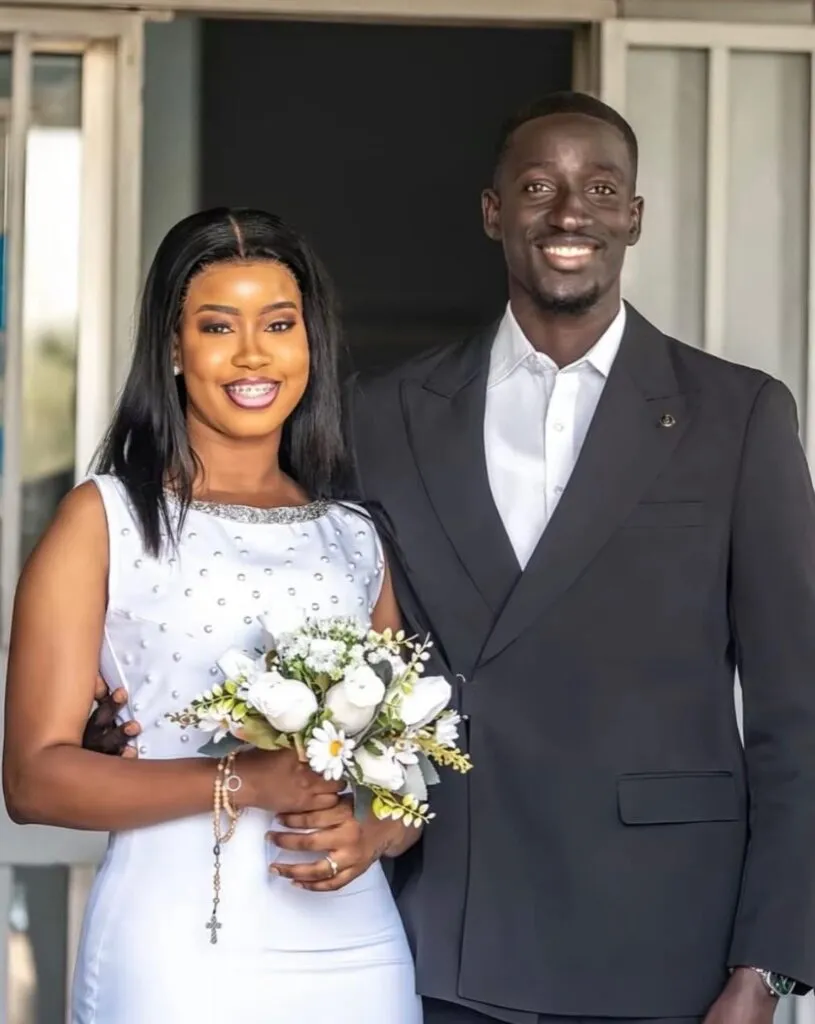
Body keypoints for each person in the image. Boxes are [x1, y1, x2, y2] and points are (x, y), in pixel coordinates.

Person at [84, 91, 815, 1024]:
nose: (570, 213)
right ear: (492, 211)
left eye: (600, 189)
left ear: (633, 216)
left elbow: (796, 714)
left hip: (663, 936)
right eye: (538, 187)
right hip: (444, 927)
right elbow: (298, 601)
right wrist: (126, 716)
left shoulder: (736, 415)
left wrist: (765, 966)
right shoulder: (382, 413)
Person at [2, 208, 422, 1024]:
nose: (253, 354)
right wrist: (244, 781)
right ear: (172, 346)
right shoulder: (105, 519)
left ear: (310, 342)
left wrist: (373, 834)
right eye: (218, 326)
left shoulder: (354, 535)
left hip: (357, 948)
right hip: (176, 948)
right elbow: (33, 780)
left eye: (279, 324)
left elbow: (404, 773)